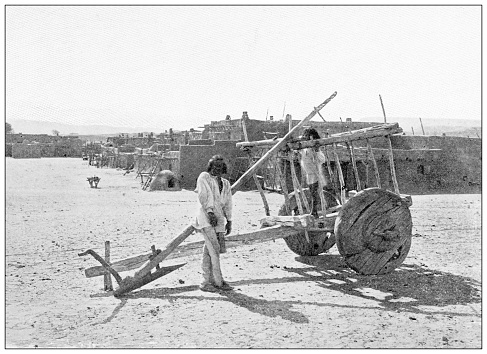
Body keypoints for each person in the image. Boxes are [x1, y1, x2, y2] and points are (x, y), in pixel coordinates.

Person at [193, 155, 233, 292]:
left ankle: (206, 281)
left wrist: (230, 220)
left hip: (219, 220)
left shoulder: (225, 183)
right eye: (215, 166)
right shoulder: (204, 177)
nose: (217, 169)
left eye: (220, 167)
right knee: (214, 250)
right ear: (210, 166)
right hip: (206, 218)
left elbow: (228, 203)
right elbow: (204, 196)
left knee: (210, 251)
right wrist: (210, 213)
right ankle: (218, 281)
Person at [299, 127, 330, 217]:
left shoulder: (314, 149)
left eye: (306, 136)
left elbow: (322, 159)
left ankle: (315, 211)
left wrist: (316, 151)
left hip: (315, 173)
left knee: (315, 193)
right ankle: (314, 210)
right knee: (312, 192)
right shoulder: (305, 148)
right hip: (309, 174)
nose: (305, 137)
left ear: (311, 137)